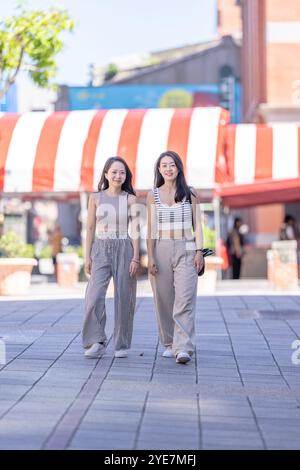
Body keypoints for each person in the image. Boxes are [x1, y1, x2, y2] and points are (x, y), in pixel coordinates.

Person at [146, 150, 204, 365]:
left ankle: (184, 347)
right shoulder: (153, 194)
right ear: (159, 170)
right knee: (163, 299)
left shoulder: (190, 192)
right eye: (164, 165)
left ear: (178, 168)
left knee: (185, 298)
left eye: (172, 165)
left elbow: (197, 224)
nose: (168, 169)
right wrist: (150, 256)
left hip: (187, 248)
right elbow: (151, 229)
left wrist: (200, 251)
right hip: (161, 248)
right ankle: (169, 343)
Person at [82, 156, 139, 359]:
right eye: (114, 172)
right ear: (106, 174)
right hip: (100, 248)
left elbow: (136, 230)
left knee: (125, 296)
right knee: (94, 295)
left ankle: (121, 343)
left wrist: (136, 258)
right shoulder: (95, 198)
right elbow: (89, 228)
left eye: (122, 172)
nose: (118, 175)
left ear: (126, 176)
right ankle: (96, 340)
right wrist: (86, 256)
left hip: (124, 247)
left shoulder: (131, 199)